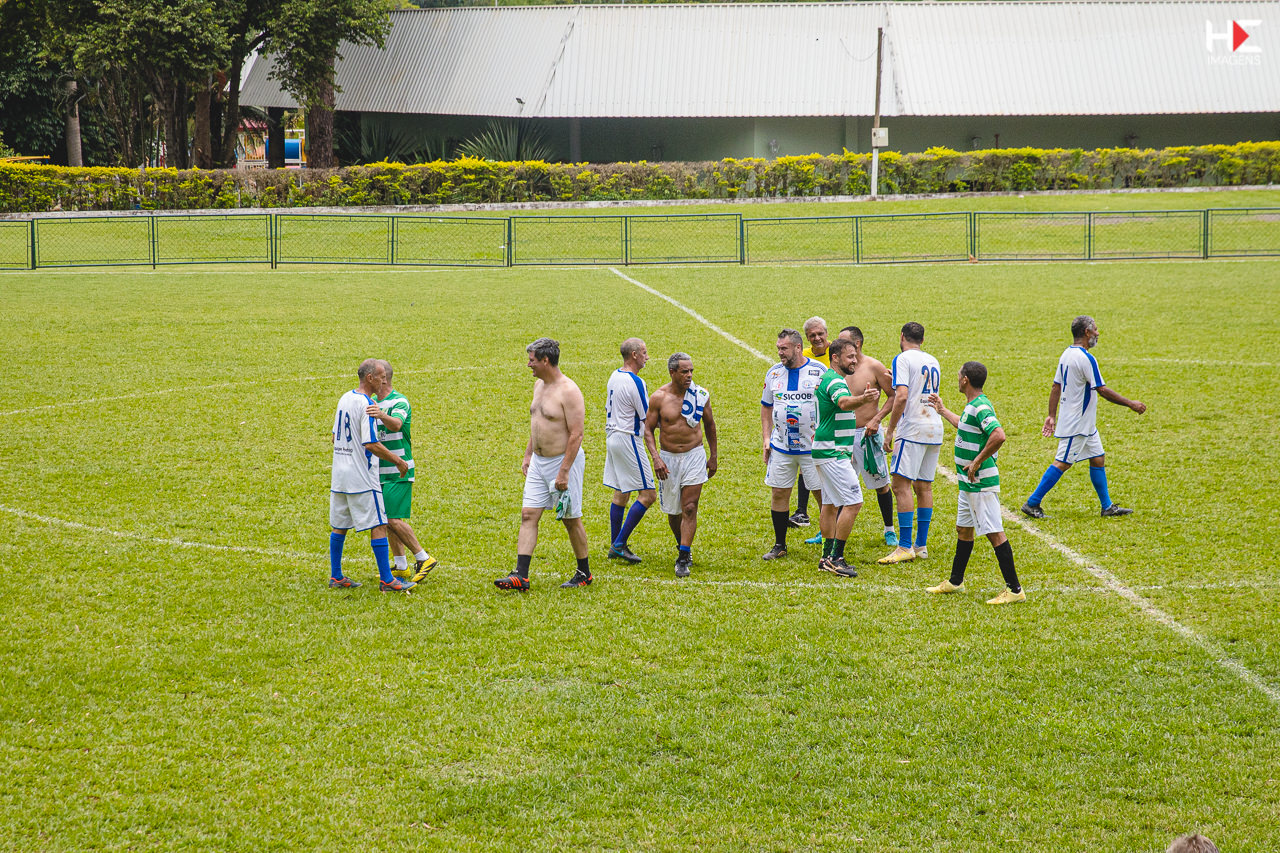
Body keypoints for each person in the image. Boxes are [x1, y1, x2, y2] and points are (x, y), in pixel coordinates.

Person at [1021, 315, 1147, 519]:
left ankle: (1107, 506)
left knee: (1098, 458)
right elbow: (1102, 389)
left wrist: (1051, 415)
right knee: (1063, 462)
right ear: (1087, 332)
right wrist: (1131, 404)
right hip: (1077, 423)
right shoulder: (1086, 358)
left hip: (1085, 423)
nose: (1098, 333)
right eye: (1095, 329)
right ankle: (1032, 503)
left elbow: (1055, 386)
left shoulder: (1066, 354)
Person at [925, 362, 1025, 604]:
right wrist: (942, 410)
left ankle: (1014, 590)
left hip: (980, 483)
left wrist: (977, 461)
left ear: (965, 380)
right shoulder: (973, 406)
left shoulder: (980, 407)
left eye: (959, 375)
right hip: (967, 484)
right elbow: (964, 425)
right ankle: (955, 581)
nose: (957, 378)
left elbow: (998, 435)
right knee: (964, 530)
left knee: (994, 533)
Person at [495, 338, 591, 592]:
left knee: (570, 519)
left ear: (545, 360)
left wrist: (564, 471)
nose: (529, 365)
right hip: (539, 462)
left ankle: (584, 572)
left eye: (532, 360)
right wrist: (529, 454)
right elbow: (537, 423)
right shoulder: (539, 385)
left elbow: (576, 434)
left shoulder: (569, 391)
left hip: (563, 461)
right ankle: (521, 575)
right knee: (528, 514)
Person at [328, 358, 414, 592]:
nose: (383, 381)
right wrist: (398, 461)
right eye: (381, 377)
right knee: (379, 523)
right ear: (370, 378)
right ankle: (387, 580)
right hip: (362, 477)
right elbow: (371, 444)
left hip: (340, 475)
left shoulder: (345, 398)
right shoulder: (367, 404)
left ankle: (336, 575)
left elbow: (335, 437)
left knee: (339, 525)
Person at [644, 352, 717, 577]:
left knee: (690, 507)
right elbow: (648, 430)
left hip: (694, 455)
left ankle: (683, 557)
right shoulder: (659, 398)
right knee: (674, 511)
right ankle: (681, 543)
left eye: (691, 371)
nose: (689, 375)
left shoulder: (700, 395)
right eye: (685, 371)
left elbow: (710, 425)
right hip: (669, 459)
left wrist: (713, 456)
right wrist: (656, 458)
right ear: (672, 372)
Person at [811, 338, 878, 577]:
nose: (855, 361)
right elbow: (843, 402)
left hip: (829, 450)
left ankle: (826, 557)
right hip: (832, 452)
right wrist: (864, 399)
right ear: (835, 357)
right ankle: (836, 558)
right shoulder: (835, 381)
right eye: (850, 356)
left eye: (856, 356)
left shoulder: (829, 378)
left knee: (830, 504)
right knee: (853, 502)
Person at [879, 322, 945, 564]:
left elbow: (902, 396)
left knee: (900, 485)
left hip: (913, 428)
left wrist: (890, 430)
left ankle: (905, 546)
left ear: (902, 336)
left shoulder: (903, 359)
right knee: (924, 487)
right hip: (934, 426)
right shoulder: (933, 360)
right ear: (922, 340)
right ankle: (921, 545)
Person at [367, 360, 438, 584]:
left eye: (374, 376)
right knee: (386, 520)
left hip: (399, 470)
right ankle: (401, 566)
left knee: (391, 518)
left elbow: (396, 424)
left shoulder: (399, 401)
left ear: (383, 379)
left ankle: (423, 557)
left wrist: (380, 415)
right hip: (380, 470)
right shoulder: (373, 402)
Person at [761, 328, 827, 560]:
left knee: (822, 495)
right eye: (778, 348)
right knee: (779, 493)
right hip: (781, 446)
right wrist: (766, 438)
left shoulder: (819, 371)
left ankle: (829, 544)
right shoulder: (773, 373)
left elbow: (832, 404)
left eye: (784, 348)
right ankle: (780, 544)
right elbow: (766, 406)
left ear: (798, 348)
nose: (780, 352)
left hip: (812, 448)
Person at [837, 325, 900, 548]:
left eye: (844, 341)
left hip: (867, 434)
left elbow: (893, 396)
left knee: (881, 483)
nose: (839, 345)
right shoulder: (838, 369)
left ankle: (889, 529)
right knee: (838, 484)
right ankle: (830, 530)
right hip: (841, 435)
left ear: (857, 344)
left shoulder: (874, 366)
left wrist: (877, 419)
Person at [603, 338, 657, 563]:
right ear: (634, 355)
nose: (647, 357)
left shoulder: (614, 375)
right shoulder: (636, 381)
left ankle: (616, 545)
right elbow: (648, 417)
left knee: (621, 492)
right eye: (644, 352)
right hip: (628, 438)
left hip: (612, 436)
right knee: (648, 495)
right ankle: (619, 544)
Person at [792, 316, 831, 531]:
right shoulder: (803, 356)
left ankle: (831, 514)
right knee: (805, 462)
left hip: (830, 417)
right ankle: (801, 511)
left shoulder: (836, 352)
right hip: (808, 418)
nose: (817, 338)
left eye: (820, 334)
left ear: (827, 333)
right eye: (812, 335)